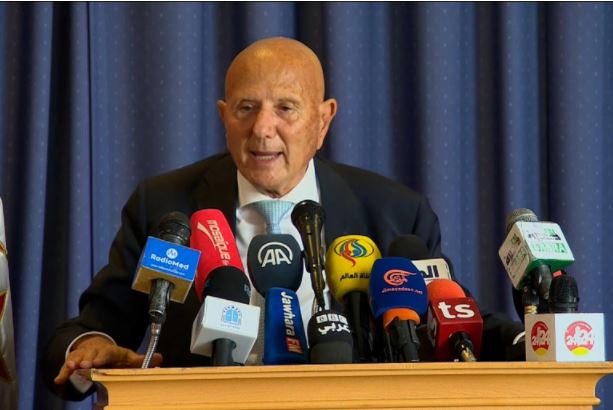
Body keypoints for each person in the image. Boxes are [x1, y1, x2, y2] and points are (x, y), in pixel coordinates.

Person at [42, 37, 523, 401]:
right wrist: (90, 348)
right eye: (246, 108)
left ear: (323, 120)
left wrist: (533, 340)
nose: (262, 129)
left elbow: (452, 318)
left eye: (286, 109)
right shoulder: (167, 206)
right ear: (224, 116)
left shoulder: (394, 212)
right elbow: (91, 329)